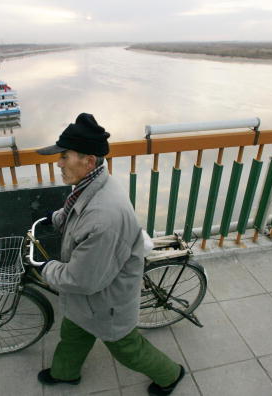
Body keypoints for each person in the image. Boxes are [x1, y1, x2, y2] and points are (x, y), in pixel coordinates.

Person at [35, 113, 185, 395]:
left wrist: (47, 267)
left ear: (88, 161)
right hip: (89, 299)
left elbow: (83, 281)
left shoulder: (104, 217)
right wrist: (55, 217)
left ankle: (170, 374)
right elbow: (76, 212)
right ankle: (65, 373)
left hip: (106, 300)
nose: (58, 163)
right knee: (73, 333)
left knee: (127, 349)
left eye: (64, 156)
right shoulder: (91, 184)